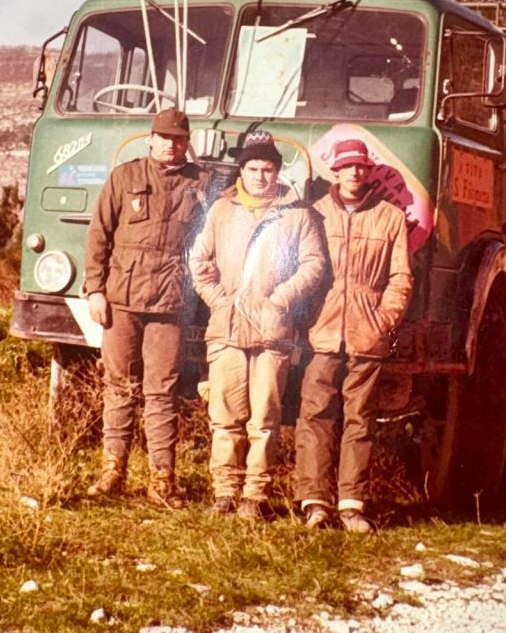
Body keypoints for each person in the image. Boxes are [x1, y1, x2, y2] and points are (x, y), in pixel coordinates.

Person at [190, 130, 327, 520]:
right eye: (252, 168)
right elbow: (199, 263)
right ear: (242, 171)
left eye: (267, 169)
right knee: (224, 415)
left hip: (272, 332)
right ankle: (224, 490)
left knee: (265, 418)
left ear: (277, 172)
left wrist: (281, 298)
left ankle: (254, 495)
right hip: (227, 330)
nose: (260, 176)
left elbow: (313, 265)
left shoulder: (297, 214)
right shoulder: (221, 211)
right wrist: (219, 301)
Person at [84, 107, 210, 507]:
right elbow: (98, 235)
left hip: (170, 304)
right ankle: (113, 471)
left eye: (179, 139)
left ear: (187, 144)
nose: (172, 145)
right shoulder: (126, 177)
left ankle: (161, 480)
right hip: (121, 299)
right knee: (119, 386)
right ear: (150, 139)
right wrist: (94, 291)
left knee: (163, 391)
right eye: (165, 137)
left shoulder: (201, 183)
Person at [295, 138, 413, 533]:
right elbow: (300, 270)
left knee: (360, 420)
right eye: (347, 166)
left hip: (367, 336)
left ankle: (351, 505)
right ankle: (315, 503)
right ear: (336, 171)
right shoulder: (315, 214)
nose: (354, 173)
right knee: (315, 417)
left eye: (361, 166)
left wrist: (384, 320)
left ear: (368, 171)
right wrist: (306, 318)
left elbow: (401, 278)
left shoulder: (390, 217)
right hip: (322, 333)